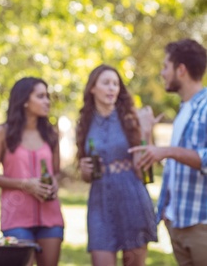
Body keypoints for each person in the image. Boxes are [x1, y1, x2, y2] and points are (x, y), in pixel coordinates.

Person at [129, 38, 207, 266]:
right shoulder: (185, 108)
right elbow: (173, 167)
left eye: (165, 66)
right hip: (178, 223)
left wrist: (168, 150)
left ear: (180, 70)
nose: (162, 73)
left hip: (201, 224)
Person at [76, 64, 157, 266]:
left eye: (115, 84)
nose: (112, 88)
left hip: (132, 196)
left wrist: (146, 133)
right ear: (93, 88)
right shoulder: (84, 123)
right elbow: (86, 173)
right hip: (99, 201)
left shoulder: (131, 118)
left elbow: (143, 167)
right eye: (106, 83)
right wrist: (84, 171)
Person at [0, 77, 64, 266]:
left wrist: (54, 183)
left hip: (51, 217)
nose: (47, 101)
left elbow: (57, 172)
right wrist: (24, 184)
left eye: (47, 96)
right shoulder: (1, 132)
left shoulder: (51, 134)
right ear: (25, 101)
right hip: (16, 218)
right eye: (41, 96)